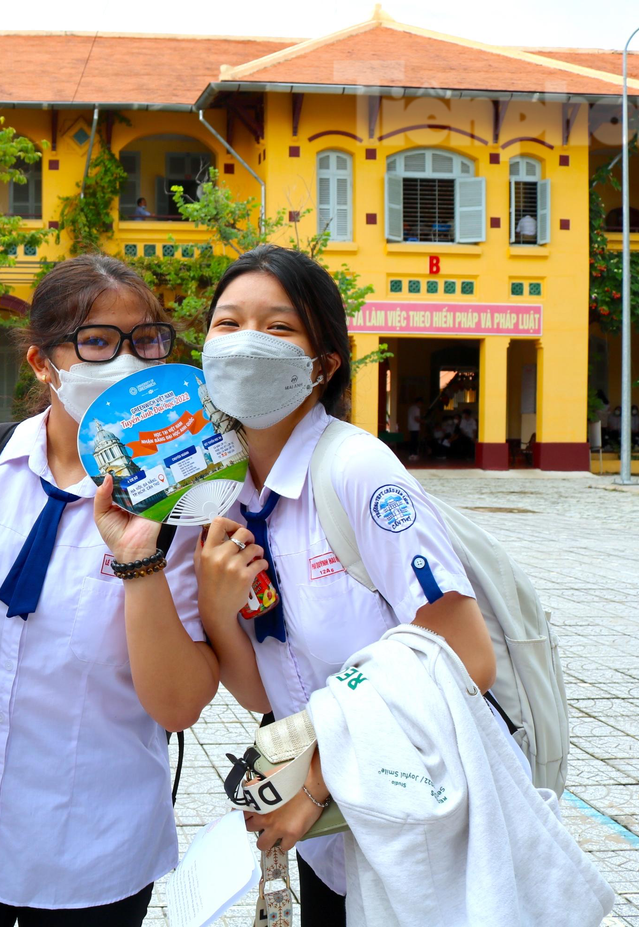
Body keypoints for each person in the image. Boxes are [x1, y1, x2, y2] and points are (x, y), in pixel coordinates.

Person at [0, 255, 219, 927]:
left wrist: (139, 564)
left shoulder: (183, 508)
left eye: (148, 339)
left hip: (93, 858)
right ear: (43, 362)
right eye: (97, 341)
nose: (127, 361)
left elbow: (179, 705)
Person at [192, 244, 495, 923]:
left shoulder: (359, 472)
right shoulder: (230, 499)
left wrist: (317, 784)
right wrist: (217, 610)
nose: (246, 344)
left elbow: (468, 659)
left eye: (278, 327)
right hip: (328, 842)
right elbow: (260, 689)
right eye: (227, 322)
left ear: (323, 364)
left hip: (409, 815)